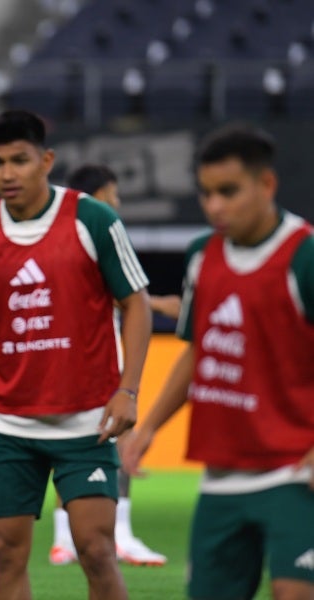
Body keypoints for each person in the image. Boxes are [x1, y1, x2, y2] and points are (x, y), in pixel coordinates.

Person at [0, 109, 152, 600]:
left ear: (46, 160)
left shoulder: (92, 220)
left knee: (96, 549)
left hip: (86, 420)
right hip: (8, 425)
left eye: (19, 160)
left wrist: (128, 390)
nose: (7, 173)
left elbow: (137, 302)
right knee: (4, 555)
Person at [122, 123, 314, 599]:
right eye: (206, 193)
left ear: (266, 184)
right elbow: (199, 351)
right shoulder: (200, 257)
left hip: (295, 472)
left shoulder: (304, 256)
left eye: (228, 192)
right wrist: (148, 428)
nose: (215, 206)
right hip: (221, 477)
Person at [45, 164, 167, 567]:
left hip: (58, 352)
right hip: (98, 352)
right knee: (117, 433)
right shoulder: (99, 234)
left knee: (70, 441)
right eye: (113, 193)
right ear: (97, 196)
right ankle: (123, 535)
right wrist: (162, 304)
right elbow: (120, 295)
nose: (117, 202)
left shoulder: (55, 236)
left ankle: (64, 540)